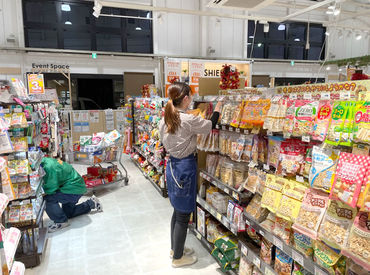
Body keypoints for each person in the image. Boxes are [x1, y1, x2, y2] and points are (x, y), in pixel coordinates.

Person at [159, 82, 222, 268]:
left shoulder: (165, 119)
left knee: (177, 211)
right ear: (185, 98)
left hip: (172, 167)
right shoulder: (187, 120)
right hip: (185, 168)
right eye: (191, 96)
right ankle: (178, 259)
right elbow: (210, 125)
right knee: (183, 215)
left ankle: (175, 249)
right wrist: (217, 109)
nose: (192, 99)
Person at [41, 157, 103, 233]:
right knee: (68, 213)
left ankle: (60, 222)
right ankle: (92, 203)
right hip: (76, 185)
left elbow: (51, 188)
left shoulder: (48, 167)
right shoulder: (47, 160)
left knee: (47, 199)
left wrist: (40, 193)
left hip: (72, 189)